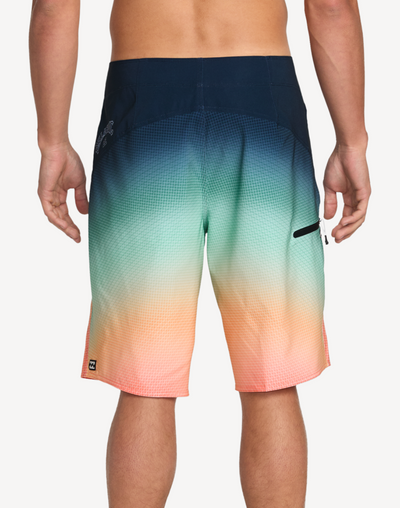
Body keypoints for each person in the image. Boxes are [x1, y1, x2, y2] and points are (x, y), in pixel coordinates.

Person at [29, 0, 371, 506]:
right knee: (272, 376)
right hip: (262, 102)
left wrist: (52, 143)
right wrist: (353, 142)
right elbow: (331, 6)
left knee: (144, 380)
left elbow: (53, 8)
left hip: (143, 102)